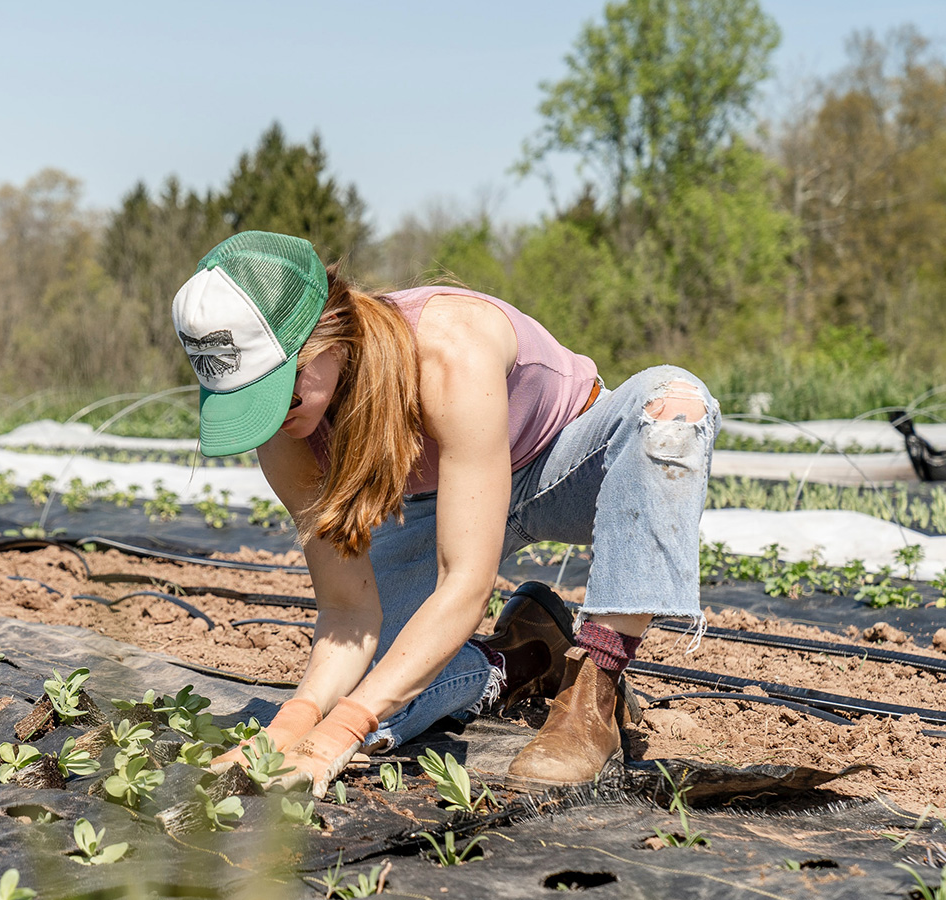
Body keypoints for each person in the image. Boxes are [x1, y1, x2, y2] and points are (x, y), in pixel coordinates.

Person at [172, 231, 718, 797]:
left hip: (567, 466)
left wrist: (342, 727)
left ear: (327, 336)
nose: (272, 418)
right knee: (374, 693)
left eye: (278, 392)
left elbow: (466, 584)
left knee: (673, 405)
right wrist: (294, 724)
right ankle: (520, 656)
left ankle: (594, 688)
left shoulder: (446, 348)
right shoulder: (286, 435)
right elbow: (348, 612)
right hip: (445, 504)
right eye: (246, 403)